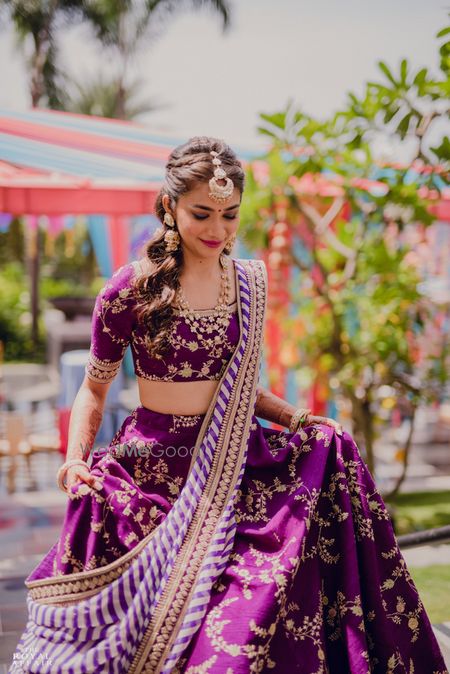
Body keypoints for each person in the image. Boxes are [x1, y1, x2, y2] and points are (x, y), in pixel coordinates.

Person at [10, 137, 447, 674]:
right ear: (170, 207)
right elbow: (93, 389)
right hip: (154, 473)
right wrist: (76, 458)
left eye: (229, 215)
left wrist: (300, 419)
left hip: (240, 467)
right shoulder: (129, 289)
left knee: (252, 619)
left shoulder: (245, 285)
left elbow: (241, 390)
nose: (217, 229)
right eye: (202, 214)